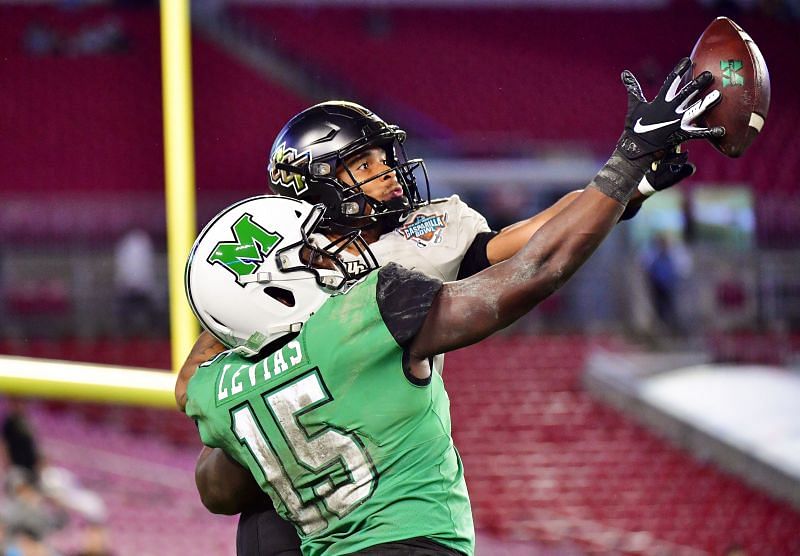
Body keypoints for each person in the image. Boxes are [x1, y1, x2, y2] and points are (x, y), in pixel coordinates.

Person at [182, 58, 723, 556]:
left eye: (382, 157)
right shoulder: (282, 275)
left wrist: (628, 185)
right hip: (322, 500)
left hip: (367, 459)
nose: (388, 171)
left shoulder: (423, 234)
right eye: (362, 164)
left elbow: (531, 242)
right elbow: (535, 264)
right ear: (315, 184)